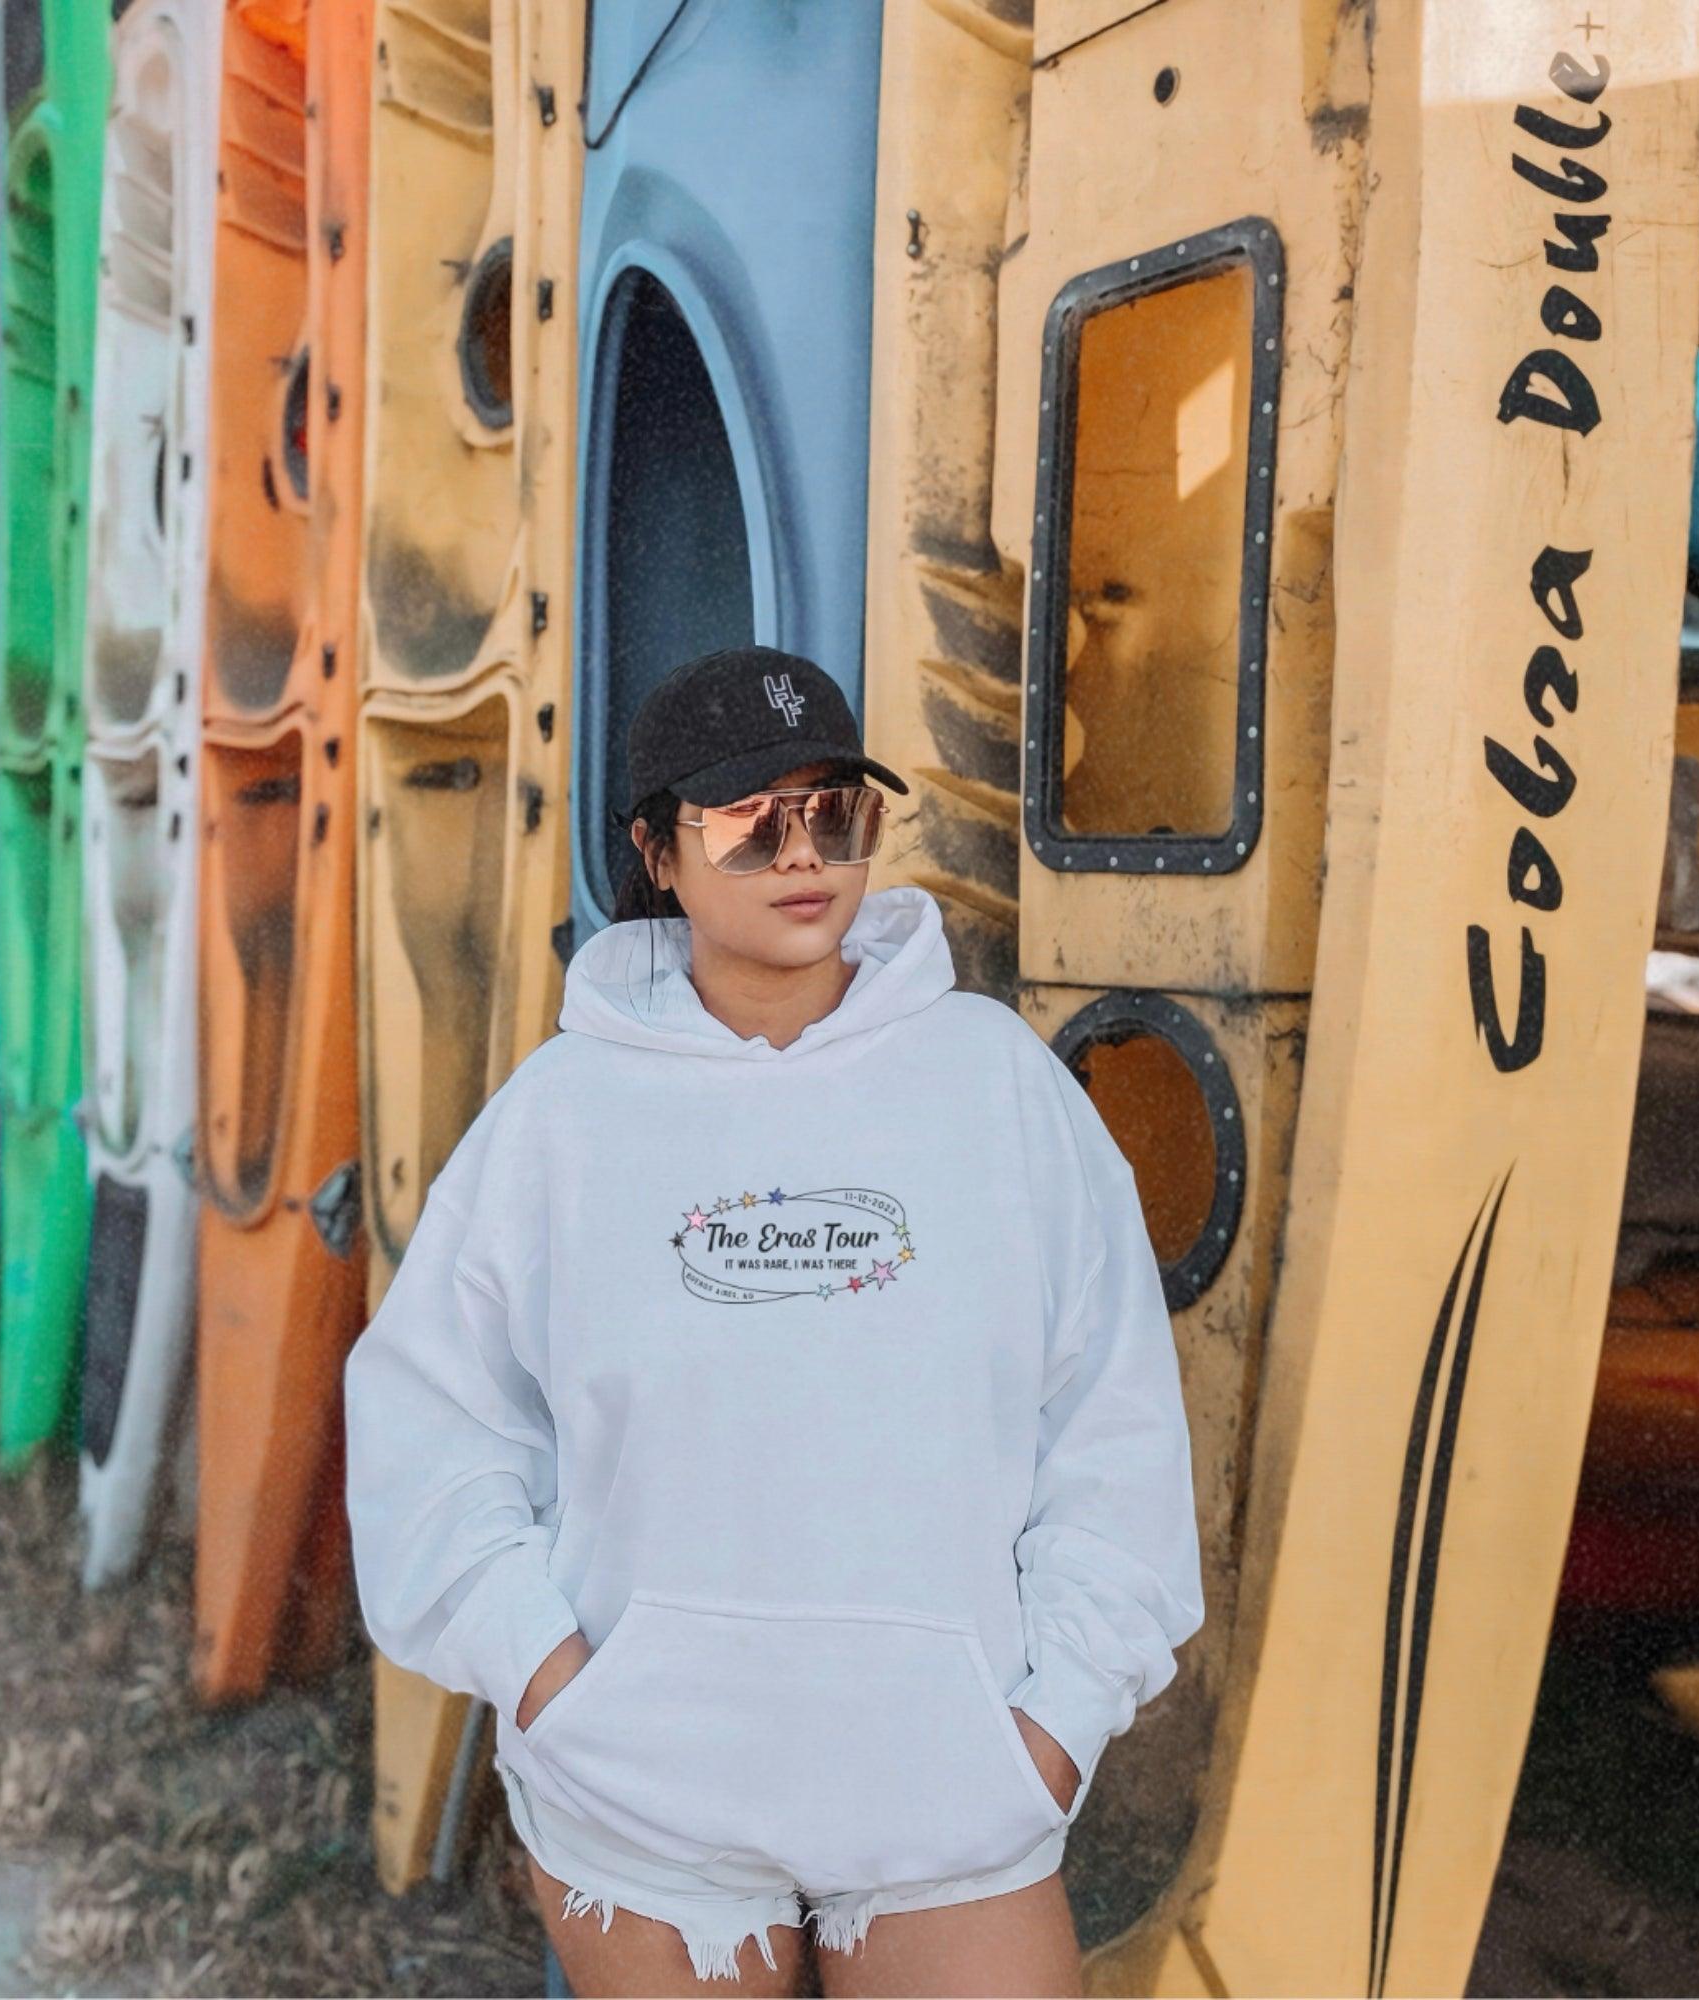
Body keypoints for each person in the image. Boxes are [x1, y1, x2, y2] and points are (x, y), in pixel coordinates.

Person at [343, 644, 1205, 1997]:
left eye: (837, 813)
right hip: (643, 1804)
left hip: (950, 1798)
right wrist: (554, 1683)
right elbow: (431, 1428)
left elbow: (1112, 1423)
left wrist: (1053, 1722)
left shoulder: (997, 1091)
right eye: (753, 821)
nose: (804, 854)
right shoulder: (561, 1118)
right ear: (657, 851)